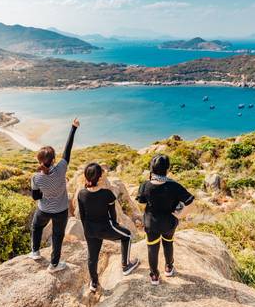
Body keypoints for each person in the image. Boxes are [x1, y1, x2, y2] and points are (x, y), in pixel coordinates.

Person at [28, 118, 80, 273]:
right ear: (54, 160)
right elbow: (67, 151)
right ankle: (54, 265)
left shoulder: (36, 177)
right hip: (61, 211)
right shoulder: (61, 169)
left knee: (36, 227)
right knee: (57, 236)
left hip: (43, 209)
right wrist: (73, 128)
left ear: (39, 160)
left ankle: (35, 252)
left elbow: (36, 197)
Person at [78, 163, 140, 292]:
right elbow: (113, 214)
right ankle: (126, 265)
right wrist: (115, 226)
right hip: (106, 228)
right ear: (100, 178)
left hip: (89, 230)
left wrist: (87, 231)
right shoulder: (107, 194)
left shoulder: (81, 194)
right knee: (127, 235)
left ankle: (94, 283)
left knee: (92, 257)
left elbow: (82, 216)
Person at [136, 154, 194, 285]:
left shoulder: (145, 185)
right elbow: (191, 203)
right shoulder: (174, 186)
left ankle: (154, 276)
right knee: (168, 243)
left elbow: (141, 202)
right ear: (167, 169)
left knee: (152, 247)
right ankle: (168, 267)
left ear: (151, 169)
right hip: (169, 223)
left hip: (151, 223)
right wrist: (179, 215)